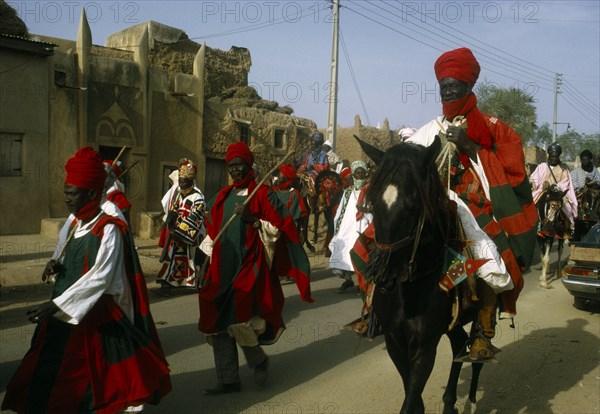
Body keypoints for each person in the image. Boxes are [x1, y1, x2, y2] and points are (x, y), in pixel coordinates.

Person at [2, 147, 171, 413]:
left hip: (93, 316)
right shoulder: (74, 221)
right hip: (64, 313)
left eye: (72, 193)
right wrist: (54, 261)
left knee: (97, 383)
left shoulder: (109, 228)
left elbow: (101, 278)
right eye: (66, 191)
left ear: (92, 193)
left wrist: (58, 306)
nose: (66, 198)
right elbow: (63, 247)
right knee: (48, 374)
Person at [404, 47, 538, 361]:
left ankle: (483, 330)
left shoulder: (495, 128)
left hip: (476, 204)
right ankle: (374, 307)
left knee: (486, 254)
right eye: (444, 86)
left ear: (469, 87)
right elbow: (407, 161)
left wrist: (471, 147)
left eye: (455, 86)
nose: (448, 91)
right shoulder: (430, 129)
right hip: (435, 202)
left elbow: (514, 175)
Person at [198, 142, 313, 395]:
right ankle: (228, 379)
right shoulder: (222, 197)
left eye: (240, 165)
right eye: (232, 166)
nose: (236, 170)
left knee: (239, 318)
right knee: (217, 321)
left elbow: (281, 227)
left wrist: (252, 219)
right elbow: (212, 234)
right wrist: (205, 262)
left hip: (249, 264)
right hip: (221, 269)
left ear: (249, 166)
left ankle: (258, 360)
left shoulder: (263, 194)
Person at [157, 160, 206, 289]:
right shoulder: (179, 194)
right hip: (176, 231)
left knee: (189, 256)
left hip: (190, 234)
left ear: (190, 181)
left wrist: (180, 231)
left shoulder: (198, 197)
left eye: (183, 181)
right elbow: (173, 209)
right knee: (172, 255)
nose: (181, 184)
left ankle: (188, 280)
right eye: (179, 181)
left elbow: (196, 217)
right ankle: (171, 278)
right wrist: (170, 219)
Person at [329, 160, 372, 293]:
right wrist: (338, 227)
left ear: (366, 174)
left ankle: (362, 283)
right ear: (353, 174)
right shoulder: (348, 192)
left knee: (363, 253)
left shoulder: (371, 190)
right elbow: (341, 210)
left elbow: (376, 208)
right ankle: (348, 280)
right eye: (357, 173)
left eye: (362, 173)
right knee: (346, 252)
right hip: (348, 227)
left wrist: (367, 210)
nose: (359, 176)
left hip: (364, 225)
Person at [530, 143, 578, 234]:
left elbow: (566, 182)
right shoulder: (542, 166)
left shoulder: (563, 169)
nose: (554, 158)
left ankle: (569, 228)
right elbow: (534, 178)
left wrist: (555, 186)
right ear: (549, 155)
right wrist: (537, 183)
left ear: (558, 156)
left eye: (556, 156)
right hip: (543, 191)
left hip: (558, 193)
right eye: (552, 156)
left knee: (566, 207)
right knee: (531, 202)